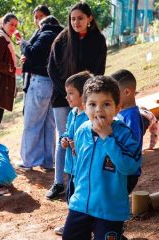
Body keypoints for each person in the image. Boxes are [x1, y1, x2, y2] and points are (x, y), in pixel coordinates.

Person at [62, 76, 141, 239]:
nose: (98, 110)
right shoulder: (81, 131)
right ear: (84, 107)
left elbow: (130, 167)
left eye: (106, 104)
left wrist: (107, 137)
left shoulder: (124, 134)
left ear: (117, 108)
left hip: (109, 209)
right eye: (92, 104)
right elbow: (79, 166)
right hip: (80, 204)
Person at [46, 2, 107, 200]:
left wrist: (87, 97)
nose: (76, 22)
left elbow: (99, 71)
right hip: (62, 96)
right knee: (64, 137)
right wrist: (68, 93)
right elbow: (52, 68)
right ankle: (58, 183)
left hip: (88, 99)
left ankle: (83, 179)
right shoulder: (62, 39)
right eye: (73, 19)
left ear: (89, 18)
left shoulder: (98, 40)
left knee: (87, 137)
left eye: (80, 18)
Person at [17, 15, 64, 171]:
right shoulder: (63, 36)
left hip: (40, 82)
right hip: (55, 84)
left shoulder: (46, 34)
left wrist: (23, 44)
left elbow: (33, 52)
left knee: (32, 123)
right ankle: (48, 161)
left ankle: (29, 160)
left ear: (45, 25)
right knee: (49, 124)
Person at [51, 71, 91, 236]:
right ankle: (73, 224)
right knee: (71, 198)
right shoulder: (72, 113)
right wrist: (64, 139)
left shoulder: (89, 117)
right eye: (66, 93)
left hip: (84, 169)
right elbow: (67, 132)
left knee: (82, 199)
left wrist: (77, 145)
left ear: (83, 95)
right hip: (72, 167)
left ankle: (83, 227)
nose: (66, 97)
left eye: (71, 93)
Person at [111, 69, 144, 194]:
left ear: (127, 92)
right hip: (119, 169)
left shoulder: (132, 117)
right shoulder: (121, 113)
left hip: (127, 173)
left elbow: (132, 145)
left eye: (114, 94)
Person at [21, 5, 51, 94]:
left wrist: (23, 43)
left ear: (48, 16)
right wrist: (24, 56)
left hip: (43, 78)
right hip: (32, 77)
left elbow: (36, 53)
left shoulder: (48, 33)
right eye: (36, 17)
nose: (38, 19)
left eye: (41, 16)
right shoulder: (37, 32)